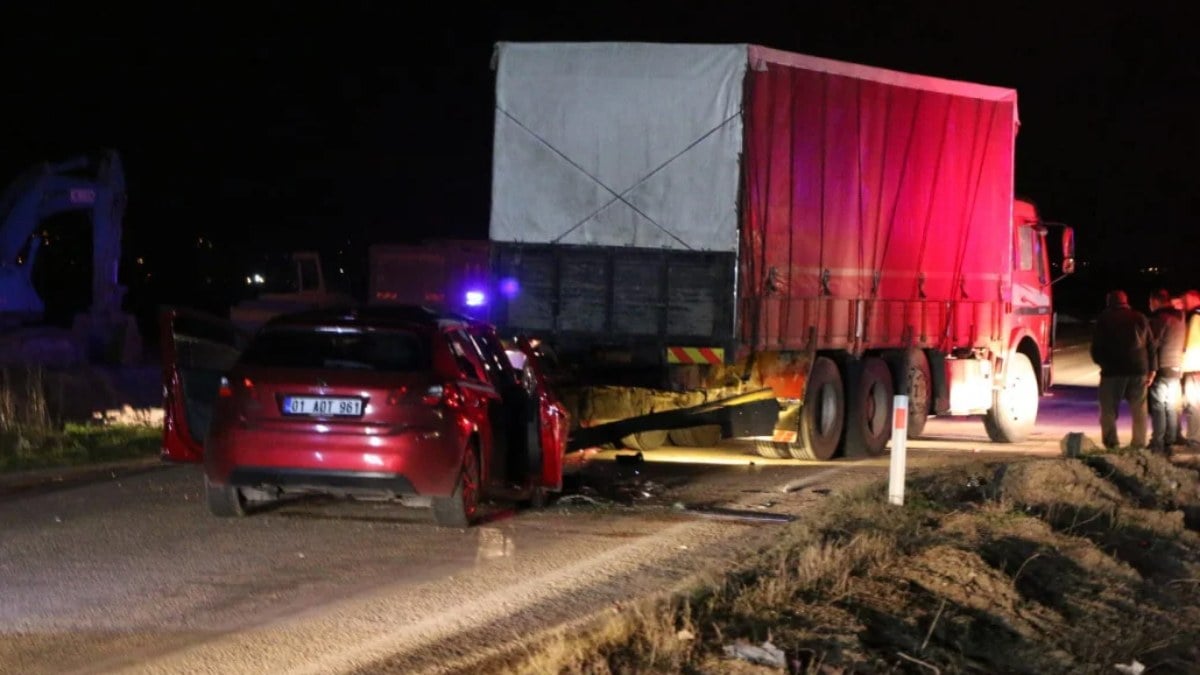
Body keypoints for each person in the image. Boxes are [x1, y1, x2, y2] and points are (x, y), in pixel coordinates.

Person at [1090, 289, 1156, 450]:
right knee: (1139, 409)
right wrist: (1152, 369)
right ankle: (1139, 444)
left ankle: (1112, 443)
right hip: (1138, 370)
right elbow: (1151, 345)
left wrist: (1102, 363)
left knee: (1108, 410)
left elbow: (1096, 347)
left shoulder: (1104, 319)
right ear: (1126, 302)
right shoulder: (1139, 317)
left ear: (1109, 302)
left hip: (1112, 372)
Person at [1147, 289, 1185, 454]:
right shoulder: (1180, 318)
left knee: (1158, 406)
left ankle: (1158, 441)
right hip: (1176, 367)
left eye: (1150, 303)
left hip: (1162, 366)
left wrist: (1151, 369)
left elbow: (1153, 344)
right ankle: (1171, 438)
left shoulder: (1160, 319)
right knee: (1171, 406)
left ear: (1156, 301)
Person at [1180, 289, 1200, 447]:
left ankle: (1195, 439)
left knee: (1193, 404)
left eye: (1186, 301)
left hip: (1195, 369)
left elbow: (1190, 346)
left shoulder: (1195, 317)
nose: (1184, 304)